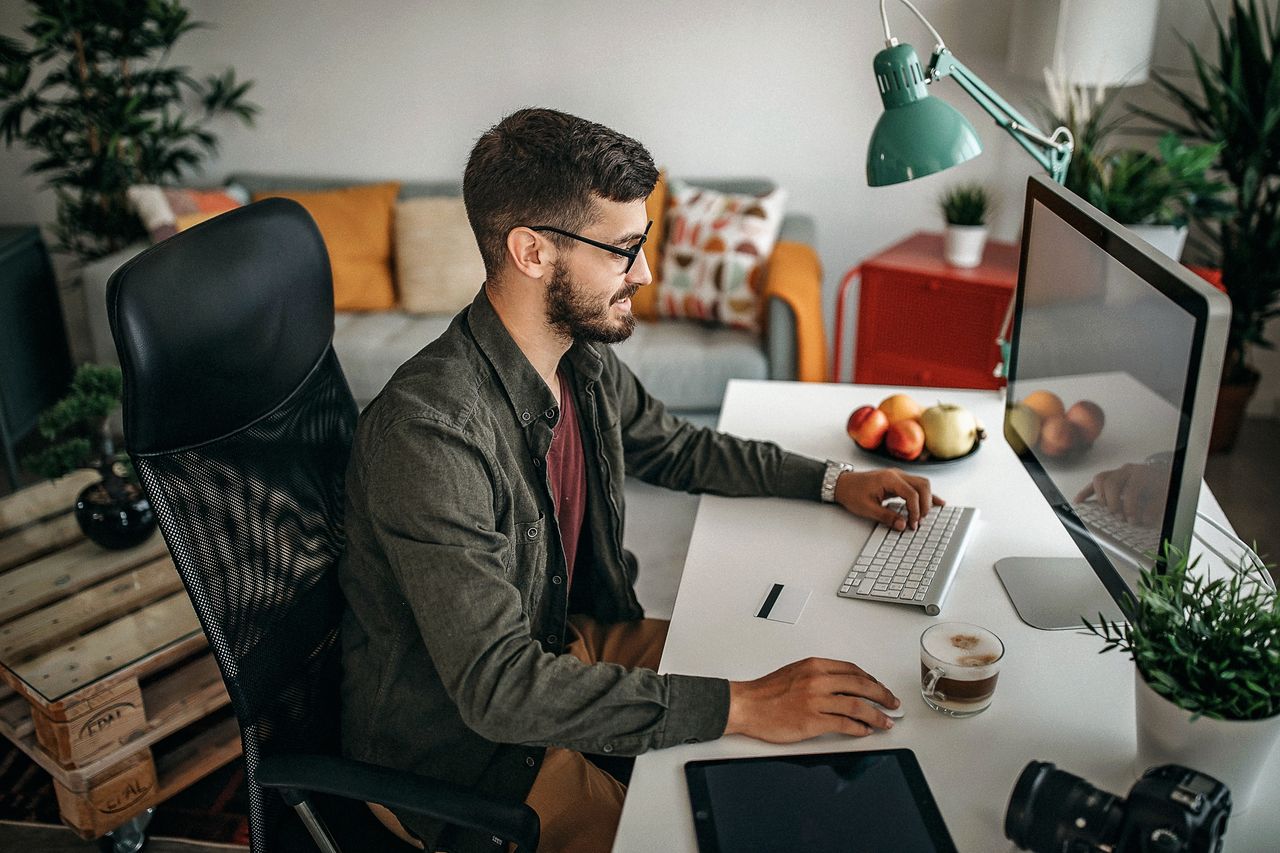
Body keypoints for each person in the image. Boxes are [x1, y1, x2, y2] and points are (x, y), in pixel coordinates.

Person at [337, 107, 944, 853]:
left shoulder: (577, 357)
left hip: (568, 638)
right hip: (465, 752)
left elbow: (678, 449)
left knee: (806, 694)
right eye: (623, 250)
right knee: (710, 820)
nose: (645, 274)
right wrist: (741, 706)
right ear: (531, 251)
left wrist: (830, 481)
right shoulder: (430, 433)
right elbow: (500, 687)